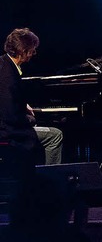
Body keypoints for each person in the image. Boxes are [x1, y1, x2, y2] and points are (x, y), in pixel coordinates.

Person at [0, 28, 63, 167]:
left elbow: (7, 99)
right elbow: (10, 116)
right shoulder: (8, 76)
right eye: (32, 50)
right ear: (23, 51)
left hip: (6, 126)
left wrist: (23, 105)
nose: (34, 54)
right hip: (7, 132)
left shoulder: (3, 63)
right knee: (55, 135)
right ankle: (52, 180)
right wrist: (30, 119)